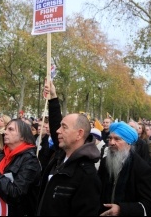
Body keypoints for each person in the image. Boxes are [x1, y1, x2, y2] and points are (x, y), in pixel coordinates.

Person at [36, 81, 102, 216]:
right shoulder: (60, 156)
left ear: (79, 134)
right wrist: (53, 97)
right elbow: (55, 124)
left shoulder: (87, 176)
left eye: (64, 127)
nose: (58, 131)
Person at [0, 118, 42, 216]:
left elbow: (17, 194)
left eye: (11, 129)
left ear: (23, 136)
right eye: (6, 129)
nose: (5, 132)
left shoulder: (30, 161)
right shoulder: (2, 154)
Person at [98, 121, 151, 216]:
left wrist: (121, 209)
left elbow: (148, 205)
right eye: (110, 138)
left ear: (128, 142)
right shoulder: (104, 162)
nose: (111, 143)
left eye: (117, 139)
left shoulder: (142, 168)